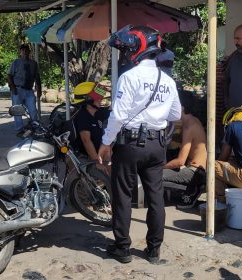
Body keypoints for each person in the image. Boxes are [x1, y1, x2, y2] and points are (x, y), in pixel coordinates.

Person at [98, 25, 181, 264]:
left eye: (127, 49)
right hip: (157, 145)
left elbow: (118, 116)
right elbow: (175, 113)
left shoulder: (129, 77)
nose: (124, 54)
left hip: (130, 144)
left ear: (138, 49)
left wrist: (106, 143)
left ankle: (122, 249)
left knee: (123, 195)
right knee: (156, 198)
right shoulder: (167, 80)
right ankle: (154, 251)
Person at [163, 91, 207, 209]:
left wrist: (160, 167)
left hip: (195, 172)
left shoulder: (189, 126)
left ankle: (192, 190)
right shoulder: (193, 121)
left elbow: (180, 161)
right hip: (198, 169)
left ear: (181, 107)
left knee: (153, 174)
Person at [7, 44, 41, 137]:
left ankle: (33, 128)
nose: (25, 52)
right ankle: (19, 130)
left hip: (29, 90)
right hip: (18, 89)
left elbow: (37, 77)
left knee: (33, 110)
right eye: (23, 51)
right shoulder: (16, 62)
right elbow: (9, 76)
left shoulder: (34, 63)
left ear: (29, 52)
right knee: (17, 111)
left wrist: (39, 89)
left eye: (26, 50)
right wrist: (13, 88)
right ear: (20, 52)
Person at [72, 81, 111, 161]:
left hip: (99, 152)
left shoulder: (98, 112)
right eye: (97, 97)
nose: (101, 99)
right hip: (86, 158)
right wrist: (97, 162)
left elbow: (114, 113)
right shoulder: (82, 116)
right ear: (88, 100)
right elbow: (86, 140)